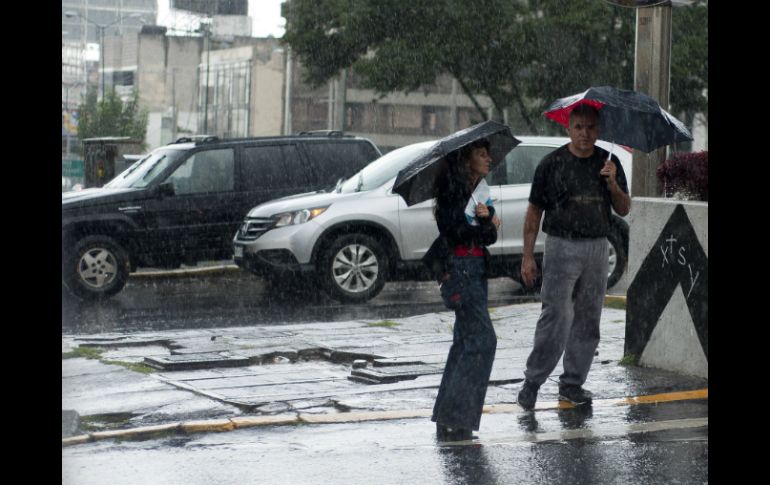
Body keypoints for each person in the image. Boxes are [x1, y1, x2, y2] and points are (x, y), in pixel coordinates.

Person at [517, 103, 631, 410]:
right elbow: (533, 212)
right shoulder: (551, 164)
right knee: (556, 315)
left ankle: (572, 384)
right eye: (578, 127)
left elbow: (623, 208)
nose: (584, 133)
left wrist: (612, 183)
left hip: (597, 246)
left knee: (588, 318)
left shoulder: (610, 162)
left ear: (598, 130)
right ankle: (533, 381)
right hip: (560, 245)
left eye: (590, 127)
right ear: (568, 129)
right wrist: (527, 256)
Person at [430, 138, 501, 441]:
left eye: (488, 154)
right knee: (483, 341)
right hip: (459, 270)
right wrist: (481, 227)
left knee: (464, 341)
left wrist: (486, 222)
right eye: (481, 154)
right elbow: (454, 231)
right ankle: (456, 417)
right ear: (467, 159)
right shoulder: (452, 191)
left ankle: (447, 417)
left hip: (477, 270)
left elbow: (489, 237)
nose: (488, 159)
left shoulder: (480, 194)